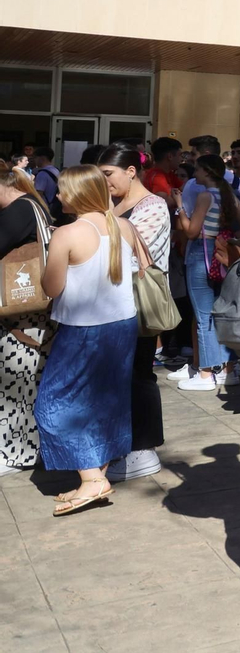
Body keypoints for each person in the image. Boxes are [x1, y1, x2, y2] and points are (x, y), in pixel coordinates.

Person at [36, 167, 143, 516]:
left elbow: (51, 288)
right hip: (122, 324)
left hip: (84, 329)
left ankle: (92, 478)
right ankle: (95, 477)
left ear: (78, 194)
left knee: (53, 404)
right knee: (106, 402)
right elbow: (140, 269)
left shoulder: (67, 233)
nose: (57, 196)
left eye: (63, 190)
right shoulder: (124, 225)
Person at [98, 144, 169, 483]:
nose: (105, 182)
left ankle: (144, 449)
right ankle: (125, 445)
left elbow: (126, 253)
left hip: (138, 301)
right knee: (121, 376)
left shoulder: (153, 206)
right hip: (113, 301)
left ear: (130, 171)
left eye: (108, 174)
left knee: (140, 373)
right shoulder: (113, 203)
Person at [170, 153, 240, 391]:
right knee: (222, 313)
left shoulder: (205, 196)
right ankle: (228, 370)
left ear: (206, 171)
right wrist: (227, 238)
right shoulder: (229, 195)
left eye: (197, 169)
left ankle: (205, 374)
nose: (194, 174)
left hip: (201, 254)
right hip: (223, 255)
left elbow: (191, 231)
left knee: (203, 316)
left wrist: (180, 207)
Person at [0, 161, 50, 478]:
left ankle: (20, 453)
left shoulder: (19, 210)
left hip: (23, 313)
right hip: (26, 312)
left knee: (17, 381)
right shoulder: (28, 204)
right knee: (22, 380)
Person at [30, 147, 60, 214]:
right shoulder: (56, 170)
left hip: (45, 208)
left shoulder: (42, 174)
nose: (34, 160)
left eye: (35, 158)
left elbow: (38, 194)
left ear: (42, 158)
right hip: (55, 206)